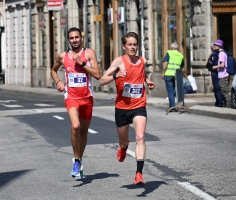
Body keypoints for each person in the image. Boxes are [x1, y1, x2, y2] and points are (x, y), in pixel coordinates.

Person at [99, 32, 155, 185]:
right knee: (124, 142)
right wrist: (116, 76)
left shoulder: (142, 61)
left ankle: (139, 174)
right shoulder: (119, 61)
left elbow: (141, 76)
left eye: (134, 44)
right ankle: (123, 147)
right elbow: (102, 81)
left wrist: (148, 81)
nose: (132, 47)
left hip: (139, 105)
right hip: (122, 108)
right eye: (129, 44)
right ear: (124, 46)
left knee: (140, 137)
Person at [50, 27, 101, 180]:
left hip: (87, 98)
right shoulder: (63, 56)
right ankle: (77, 162)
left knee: (83, 133)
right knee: (76, 126)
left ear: (81, 38)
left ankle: (79, 159)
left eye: (77, 37)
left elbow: (98, 75)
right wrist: (58, 81)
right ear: (68, 40)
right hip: (71, 97)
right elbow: (53, 70)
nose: (74, 40)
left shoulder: (89, 53)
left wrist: (82, 64)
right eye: (71, 38)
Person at [162, 42, 184, 111]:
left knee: (170, 91)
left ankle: (172, 106)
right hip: (176, 75)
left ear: (171, 48)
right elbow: (182, 65)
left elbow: (165, 63)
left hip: (168, 74)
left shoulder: (169, 53)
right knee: (174, 90)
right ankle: (174, 104)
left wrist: (163, 72)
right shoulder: (181, 55)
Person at [212, 39, 231, 108]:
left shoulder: (221, 53)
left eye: (216, 45)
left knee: (224, 91)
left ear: (220, 46)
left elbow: (222, 65)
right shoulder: (224, 53)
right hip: (223, 75)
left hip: (223, 75)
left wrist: (215, 67)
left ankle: (229, 105)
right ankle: (227, 105)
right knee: (224, 91)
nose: (215, 46)